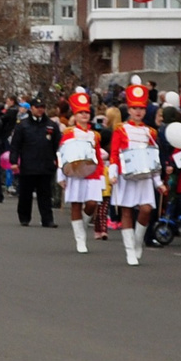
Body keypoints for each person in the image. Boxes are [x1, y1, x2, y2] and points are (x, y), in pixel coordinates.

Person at [103, 82, 160, 265]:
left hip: (144, 177)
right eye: (135, 108)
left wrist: (158, 182)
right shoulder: (120, 129)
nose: (138, 112)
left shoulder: (150, 132)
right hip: (126, 175)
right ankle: (129, 250)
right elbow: (114, 154)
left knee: (146, 209)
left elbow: (154, 158)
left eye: (141, 108)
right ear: (129, 108)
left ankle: (137, 242)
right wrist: (113, 173)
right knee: (126, 210)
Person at [57, 90, 106, 254]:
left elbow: (98, 156)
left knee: (92, 203)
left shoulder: (95, 135)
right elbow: (62, 154)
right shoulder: (69, 133)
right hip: (75, 173)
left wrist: (101, 177)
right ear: (75, 115)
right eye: (81, 113)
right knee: (76, 205)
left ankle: (82, 227)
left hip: (92, 173)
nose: (84, 115)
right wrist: (61, 175)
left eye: (86, 112)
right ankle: (80, 239)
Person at [10, 101, 61, 229]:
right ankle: (24, 217)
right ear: (31, 108)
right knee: (25, 194)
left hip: (45, 164)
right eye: (37, 107)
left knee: (45, 194)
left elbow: (57, 145)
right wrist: (14, 161)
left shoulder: (51, 125)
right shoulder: (23, 125)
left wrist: (57, 159)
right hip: (28, 164)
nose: (40, 109)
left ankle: (47, 219)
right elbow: (15, 145)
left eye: (42, 107)